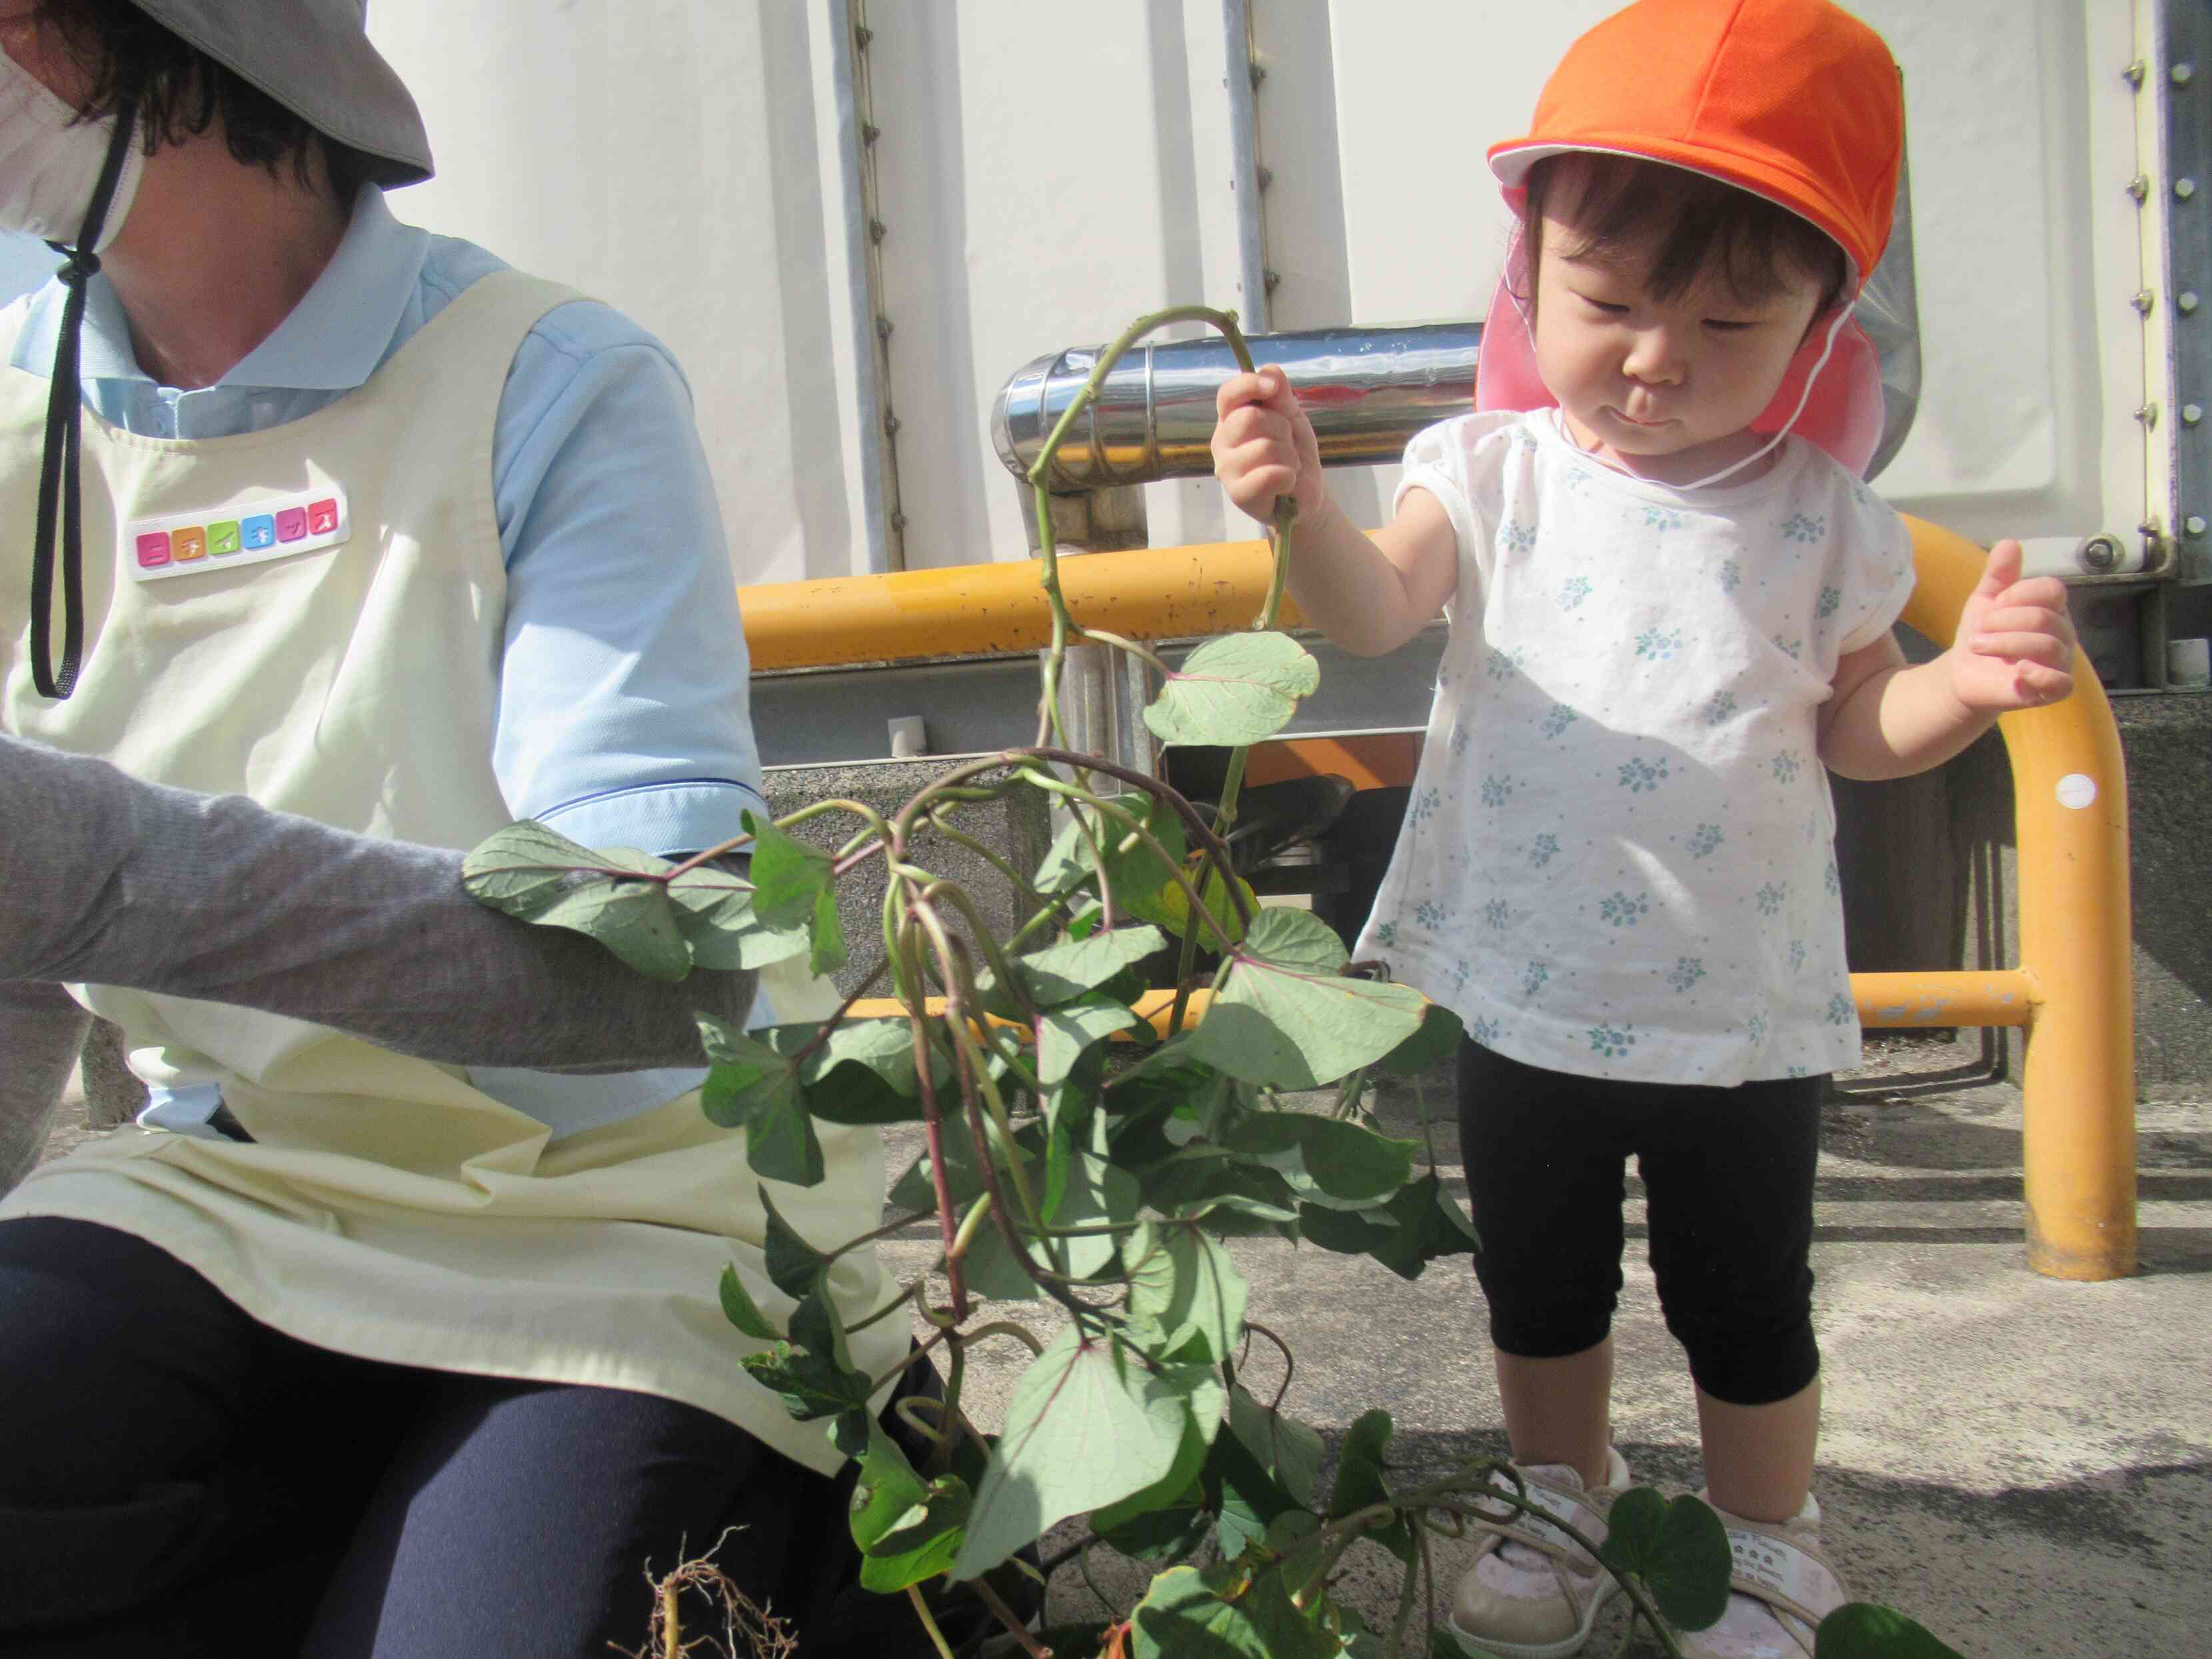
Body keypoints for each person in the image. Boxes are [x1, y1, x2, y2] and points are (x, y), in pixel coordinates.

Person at [0, 3, 904, 1654]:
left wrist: (114, 877)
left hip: (619, 1217)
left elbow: (649, 969)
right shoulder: (19, 397)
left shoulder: (548, 382)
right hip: (245, 1188)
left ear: (178, 41)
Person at [1211, 2, 2077, 1654]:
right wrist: (1302, 509)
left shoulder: (1825, 522)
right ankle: (1554, 1496)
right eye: (1608, 306)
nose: (1657, 359)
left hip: (1737, 1006)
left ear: (1825, 329)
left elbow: (1854, 729)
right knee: (1539, 1282)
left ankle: (1766, 1536)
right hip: (1524, 983)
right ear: (1525, 275)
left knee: (1742, 1296)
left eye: (1732, 324)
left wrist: (1962, 688)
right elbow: (1377, 613)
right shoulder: (1488, 472)